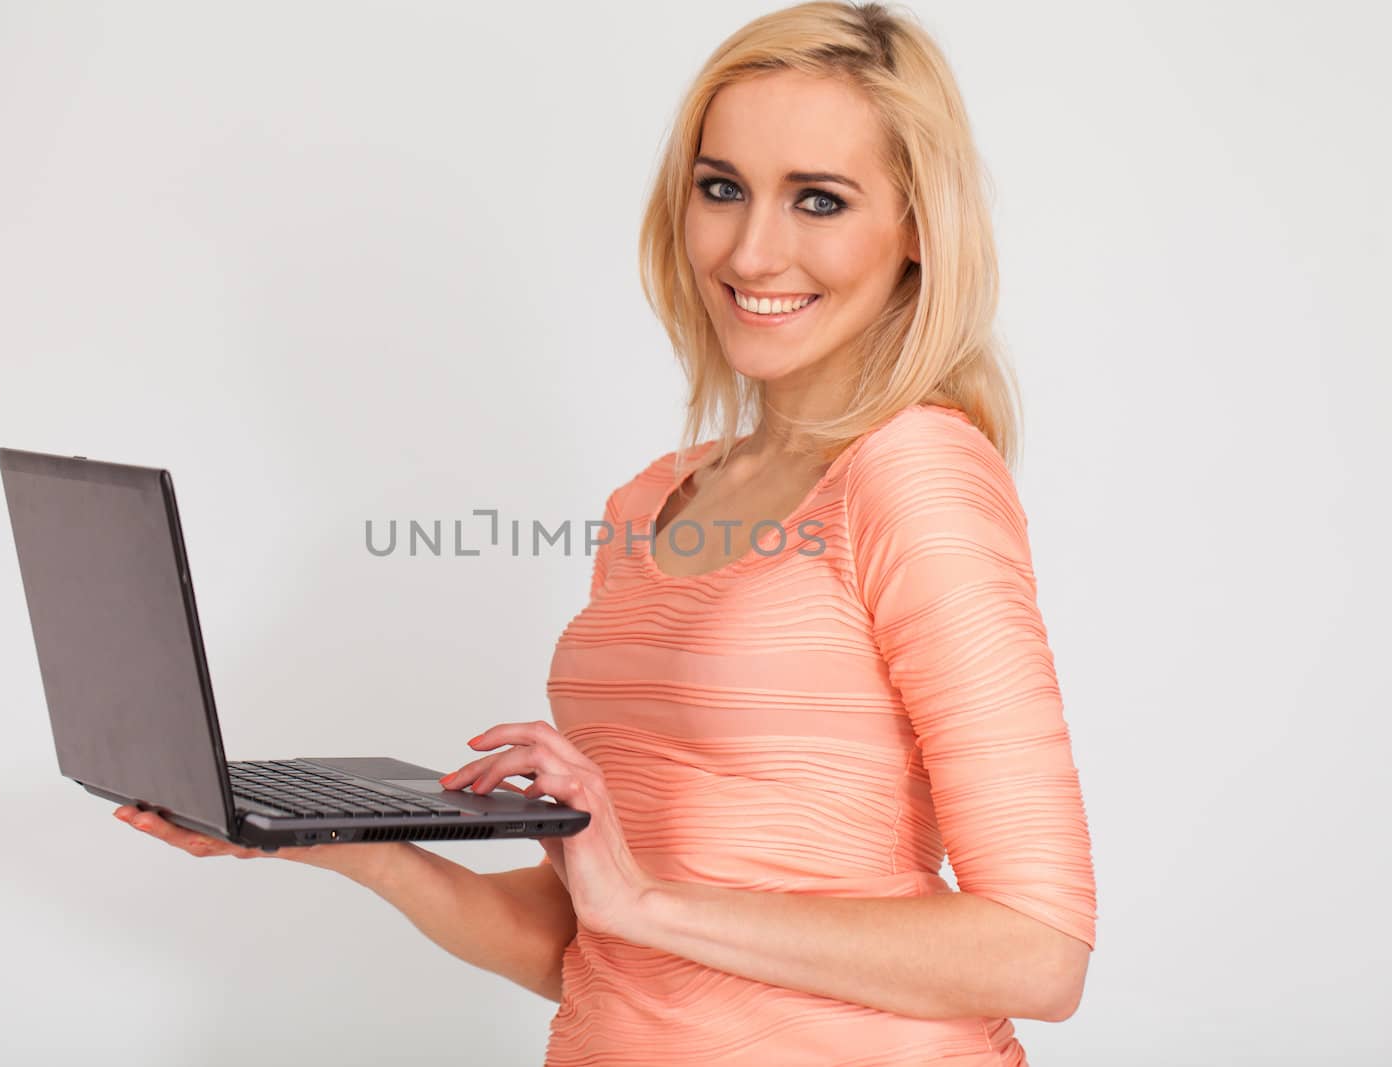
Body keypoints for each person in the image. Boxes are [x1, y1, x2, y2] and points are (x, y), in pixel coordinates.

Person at [117, 1, 1098, 1062]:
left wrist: (644, 904)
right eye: (720, 187)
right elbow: (583, 941)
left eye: (818, 199)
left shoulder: (915, 475)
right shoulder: (654, 501)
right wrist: (342, 842)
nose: (753, 249)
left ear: (916, 229)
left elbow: (1036, 951)